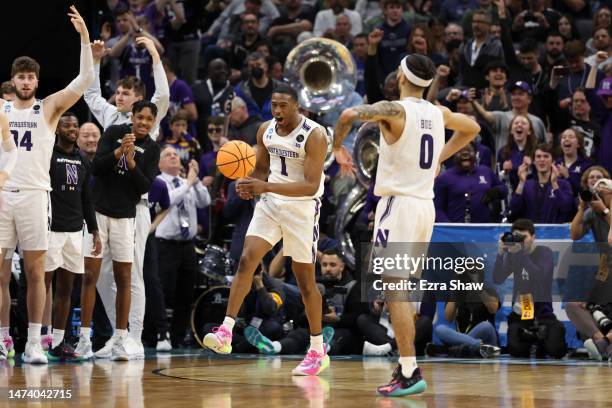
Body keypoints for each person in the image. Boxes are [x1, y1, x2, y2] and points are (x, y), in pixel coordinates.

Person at [332, 54, 481, 396]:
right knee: (402, 291)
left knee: (394, 290)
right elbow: (471, 128)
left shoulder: (395, 109)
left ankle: (410, 369)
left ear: (400, 74)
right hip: (424, 207)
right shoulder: (437, 112)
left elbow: (347, 114)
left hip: (397, 205)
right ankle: (406, 366)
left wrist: (339, 148)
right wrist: (439, 158)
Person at [203, 83, 331, 377]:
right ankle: (226, 331)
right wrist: (248, 183)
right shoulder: (265, 130)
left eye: (283, 105)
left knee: (305, 282)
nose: (277, 111)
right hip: (270, 204)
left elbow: (311, 185)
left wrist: (264, 185)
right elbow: (261, 169)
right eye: (274, 105)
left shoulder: (315, 135)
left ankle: (316, 348)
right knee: (247, 259)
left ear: (297, 106)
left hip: (302, 208)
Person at [0, 6, 94, 364]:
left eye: (30, 77)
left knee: (38, 273)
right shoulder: (2, 111)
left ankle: (33, 343)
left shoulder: (49, 109)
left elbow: (84, 81)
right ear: (13, 81)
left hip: (37, 198)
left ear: (37, 82)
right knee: (2, 274)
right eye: (20, 77)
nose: (25, 82)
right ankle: (4, 338)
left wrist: (85, 37)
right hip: (4, 196)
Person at [85, 38, 169, 360]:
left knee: (131, 273)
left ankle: (134, 338)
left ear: (139, 103)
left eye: (125, 94)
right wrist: (94, 61)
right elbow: (91, 93)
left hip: (134, 207)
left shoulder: (149, 122)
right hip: (105, 205)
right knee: (104, 274)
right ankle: (118, 334)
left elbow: (163, 96)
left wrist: (154, 56)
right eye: (117, 92)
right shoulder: (110, 119)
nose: (118, 96)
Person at [75, 101, 161, 361]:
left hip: (126, 218)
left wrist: (131, 162)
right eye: (140, 117)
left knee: (125, 278)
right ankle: (84, 340)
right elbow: (96, 169)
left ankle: (121, 340)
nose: (144, 123)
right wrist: (117, 153)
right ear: (132, 117)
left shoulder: (153, 148)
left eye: (149, 119)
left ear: (153, 122)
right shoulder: (113, 133)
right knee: (90, 276)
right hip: (99, 213)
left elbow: (144, 187)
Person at [44, 113, 101, 361]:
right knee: (43, 286)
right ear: (57, 129)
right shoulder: (48, 154)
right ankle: (38, 339)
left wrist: (94, 229)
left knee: (66, 288)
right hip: (49, 230)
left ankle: (58, 340)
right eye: (67, 125)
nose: (72, 129)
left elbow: (86, 199)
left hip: (75, 231)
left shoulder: (82, 160)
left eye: (76, 125)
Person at [156, 146, 211, 347]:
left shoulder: (186, 183)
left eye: (175, 155)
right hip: (165, 245)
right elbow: (168, 200)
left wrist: (195, 181)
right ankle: (158, 334)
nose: (173, 157)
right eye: (168, 155)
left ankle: (178, 336)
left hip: (188, 245)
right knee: (163, 290)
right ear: (159, 163)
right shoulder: (159, 182)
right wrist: (188, 183)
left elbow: (205, 201)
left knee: (185, 293)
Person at [493, 218, 567, 358]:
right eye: (517, 237)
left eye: (523, 237)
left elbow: (540, 276)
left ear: (533, 237)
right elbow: (498, 278)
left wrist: (520, 254)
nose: (520, 240)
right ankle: (534, 341)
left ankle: (540, 341)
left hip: (543, 314)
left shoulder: (544, 252)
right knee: (516, 350)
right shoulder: (513, 254)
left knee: (556, 350)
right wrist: (500, 254)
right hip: (521, 314)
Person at [567, 170, 612, 361]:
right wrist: (581, 207)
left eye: (602, 191)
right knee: (574, 306)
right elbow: (574, 235)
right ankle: (600, 340)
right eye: (595, 191)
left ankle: (606, 343)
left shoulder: (603, 211)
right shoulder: (592, 213)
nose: (597, 194)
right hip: (606, 269)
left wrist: (605, 211)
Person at [434, 143, 507, 223]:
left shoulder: (486, 171)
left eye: (469, 151)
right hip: (456, 230)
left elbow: (504, 189)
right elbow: (437, 209)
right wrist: (449, 227)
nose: (465, 154)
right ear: (454, 154)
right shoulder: (444, 178)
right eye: (460, 151)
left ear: (476, 154)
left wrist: (497, 191)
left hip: (483, 229)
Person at [509, 143, 574, 223]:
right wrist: (521, 183)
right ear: (534, 161)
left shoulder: (563, 184)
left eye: (546, 156)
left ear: (553, 161)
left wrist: (554, 184)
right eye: (538, 157)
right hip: (531, 232)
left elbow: (566, 208)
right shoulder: (526, 185)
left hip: (555, 233)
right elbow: (514, 208)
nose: (542, 160)